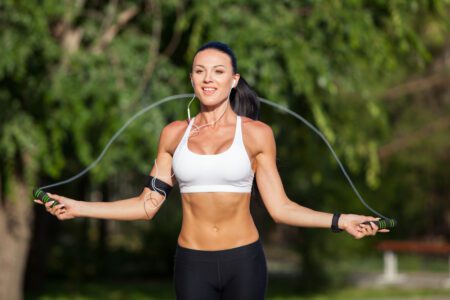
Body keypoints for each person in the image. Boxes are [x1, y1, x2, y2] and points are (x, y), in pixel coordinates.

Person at [34, 41, 388, 300]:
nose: (208, 79)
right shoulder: (173, 135)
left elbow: (281, 209)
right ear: (191, 79)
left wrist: (340, 220)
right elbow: (147, 206)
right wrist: (78, 208)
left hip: (244, 262)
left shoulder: (255, 135)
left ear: (233, 80)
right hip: (192, 264)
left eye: (218, 71)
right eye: (200, 71)